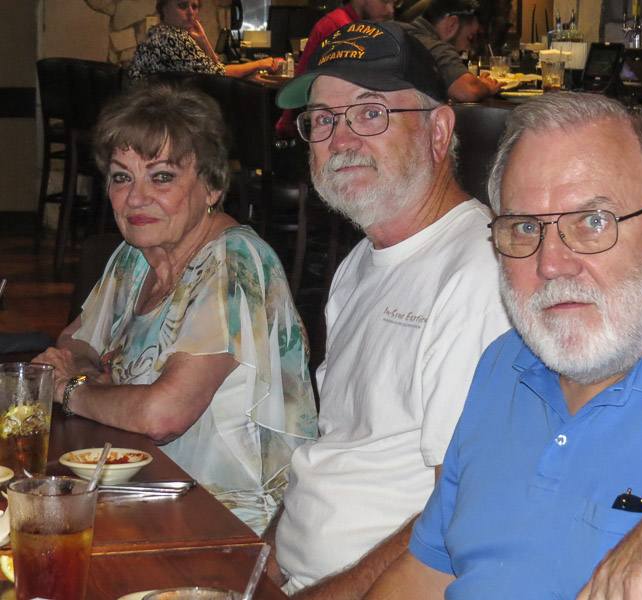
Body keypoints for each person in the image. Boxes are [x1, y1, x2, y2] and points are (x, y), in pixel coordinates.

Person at [365, 92, 642, 599]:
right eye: (525, 227)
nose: (552, 262)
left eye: (594, 222)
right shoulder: (505, 362)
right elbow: (427, 572)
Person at [265, 21, 511, 599]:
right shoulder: (358, 265)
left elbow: (461, 517)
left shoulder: (476, 272)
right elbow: (335, 452)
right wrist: (262, 566)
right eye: (323, 119)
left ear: (439, 128)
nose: (340, 139)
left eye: (370, 112)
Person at [33, 82, 318, 535]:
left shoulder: (234, 263)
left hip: (230, 523)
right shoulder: (135, 254)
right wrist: (95, 382)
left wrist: (73, 391)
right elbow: (74, 342)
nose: (135, 198)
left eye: (161, 176)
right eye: (122, 177)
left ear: (212, 187)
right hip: (146, 491)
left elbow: (162, 416)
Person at [274, 0, 394, 138]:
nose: (390, 10)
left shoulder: (354, 26)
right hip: (314, 124)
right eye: (385, 1)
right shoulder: (342, 28)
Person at [128, 0, 277, 81]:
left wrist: (203, 40)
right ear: (164, 9)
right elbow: (219, 75)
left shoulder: (159, 31)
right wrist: (259, 63)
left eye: (194, 6)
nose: (191, 12)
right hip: (154, 114)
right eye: (182, 6)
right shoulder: (170, 37)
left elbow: (215, 69)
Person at [399, 0, 502, 103]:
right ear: (451, 24)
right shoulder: (437, 48)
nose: (467, 49)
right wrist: (486, 87)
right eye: (469, 38)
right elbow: (467, 91)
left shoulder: (395, 29)